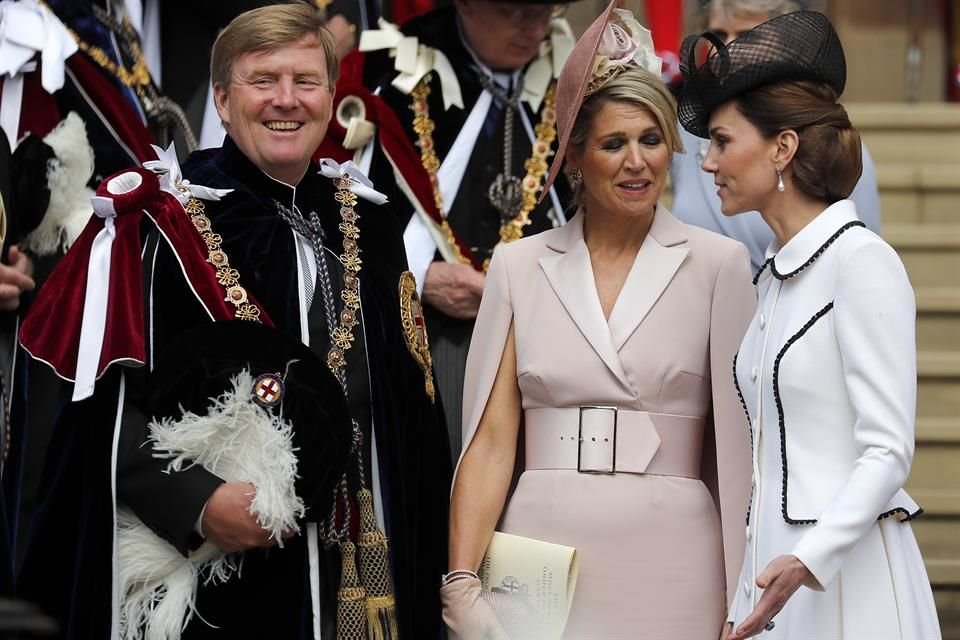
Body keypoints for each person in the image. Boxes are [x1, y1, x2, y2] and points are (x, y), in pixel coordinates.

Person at [15, 4, 451, 638]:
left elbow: (415, 418)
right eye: (262, 80)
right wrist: (193, 501)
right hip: (221, 586)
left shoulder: (372, 224)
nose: (286, 100)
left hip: (364, 576)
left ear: (331, 96)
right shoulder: (155, 224)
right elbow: (80, 410)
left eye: (306, 81)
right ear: (221, 100)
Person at [441, 4, 756, 638]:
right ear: (576, 157)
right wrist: (461, 582)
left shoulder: (721, 264)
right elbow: (491, 442)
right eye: (614, 143)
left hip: (677, 559)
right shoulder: (518, 266)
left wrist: (741, 592)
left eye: (651, 140)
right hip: (542, 554)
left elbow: (737, 453)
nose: (637, 161)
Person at [678, 11, 941, 639]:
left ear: (783, 148)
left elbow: (887, 450)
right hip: (771, 576)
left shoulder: (861, 262)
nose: (707, 163)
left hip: (850, 583)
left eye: (721, 141)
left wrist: (807, 560)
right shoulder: (772, 275)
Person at [359, 0, 580, 457]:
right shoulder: (397, 74)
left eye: (543, 13)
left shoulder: (577, 72)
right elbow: (349, 210)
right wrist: (420, 276)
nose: (533, 27)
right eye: (514, 12)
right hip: (436, 337)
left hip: (556, 330)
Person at [670, 0, 881, 272]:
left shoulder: (828, 141)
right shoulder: (685, 135)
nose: (727, 49)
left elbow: (859, 262)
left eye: (746, 35)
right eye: (719, 35)